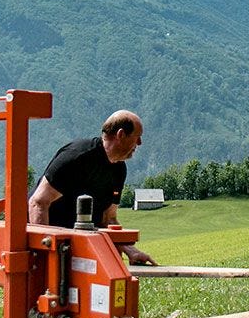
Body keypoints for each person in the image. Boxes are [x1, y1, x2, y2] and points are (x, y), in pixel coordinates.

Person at [29, 110, 157, 266]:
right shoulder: (77, 157)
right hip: (52, 246)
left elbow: (108, 219)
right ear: (121, 134)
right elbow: (38, 203)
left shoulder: (119, 170)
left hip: (78, 246)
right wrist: (45, 259)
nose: (140, 143)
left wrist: (131, 251)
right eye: (137, 137)